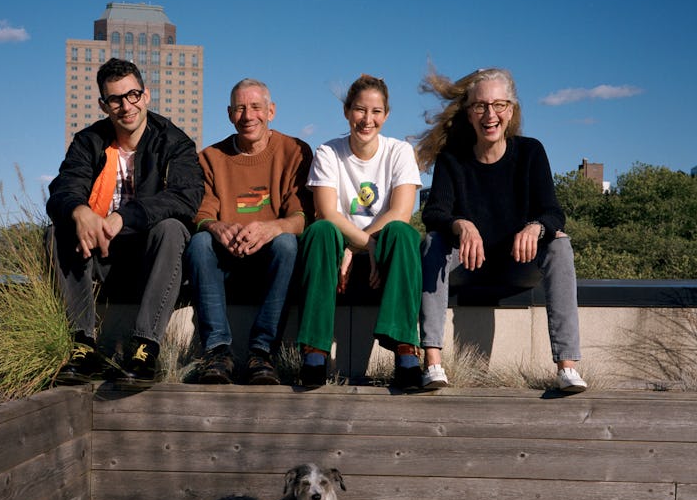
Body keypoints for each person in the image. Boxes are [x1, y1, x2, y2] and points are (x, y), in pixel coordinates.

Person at [416, 67, 587, 393]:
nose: (489, 114)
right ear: (469, 113)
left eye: (499, 105)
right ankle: (433, 363)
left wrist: (536, 227)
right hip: (467, 265)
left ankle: (567, 368)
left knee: (559, 243)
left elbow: (553, 213)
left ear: (511, 110)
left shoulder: (530, 152)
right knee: (433, 242)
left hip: (517, 264)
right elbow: (434, 212)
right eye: (480, 106)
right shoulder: (453, 159)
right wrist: (461, 224)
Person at [47, 58, 203, 387]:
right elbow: (63, 188)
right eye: (115, 99)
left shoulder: (173, 142)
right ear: (104, 105)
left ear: (145, 95)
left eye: (132, 95)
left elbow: (186, 198)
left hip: (154, 262)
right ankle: (82, 343)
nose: (126, 106)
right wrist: (79, 210)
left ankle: (145, 347)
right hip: (99, 256)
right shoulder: (88, 141)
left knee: (172, 227)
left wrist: (123, 217)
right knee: (58, 227)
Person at [297, 74, 424, 390]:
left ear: (387, 114)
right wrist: (358, 246)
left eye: (376, 111)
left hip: (381, 251)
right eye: (359, 110)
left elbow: (400, 213)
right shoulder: (328, 152)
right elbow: (326, 212)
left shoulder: (400, 152)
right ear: (346, 111)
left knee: (404, 234)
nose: (368, 120)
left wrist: (364, 248)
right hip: (336, 253)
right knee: (321, 231)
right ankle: (314, 350)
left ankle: (405, 348)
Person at [186, 79, 313, 384]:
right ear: (230, 114)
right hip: (228, 262)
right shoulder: (211, 158)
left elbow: (301, 216)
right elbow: (201, 214)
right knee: (200, 242)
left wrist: (272, 228)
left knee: (286, 243)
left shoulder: (295, 151)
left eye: (256, 107)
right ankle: (217, 351)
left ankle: (262, 352)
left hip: (274, 263)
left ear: (271, 111)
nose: (248, 115)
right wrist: (217, 227)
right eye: (240, 108)